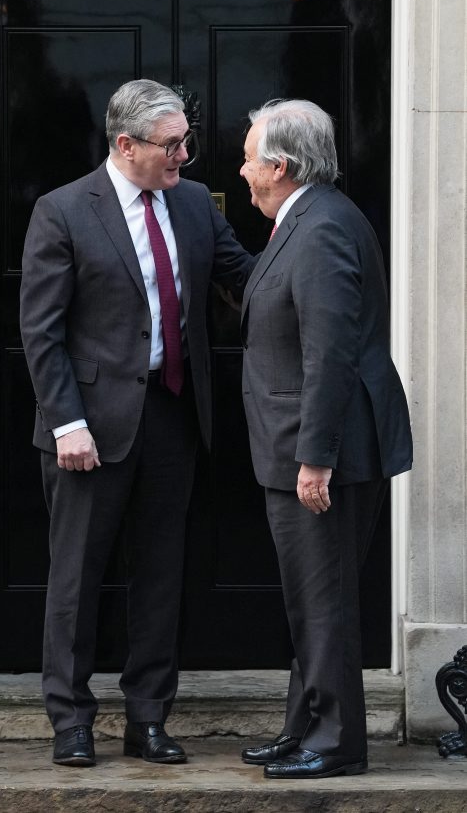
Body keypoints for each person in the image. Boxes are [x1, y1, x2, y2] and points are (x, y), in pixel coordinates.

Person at [20, 79, 253, 768]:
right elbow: (41, 331)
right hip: (88, 425)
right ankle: (70, 721)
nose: (184, 155)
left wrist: (315, 249)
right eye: (171, 144)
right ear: (126, 144)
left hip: (173, 414)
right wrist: (66, 422)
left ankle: (148, 719)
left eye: (186, 142)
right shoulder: (63, 210)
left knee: (160, 575)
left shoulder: (193, 203)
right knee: (76, 577)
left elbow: (247, 279)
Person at [238, 99, 412, 779]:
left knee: (324, 601)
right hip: (301, 447)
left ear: (279, 166)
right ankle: (305, 726)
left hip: (323, 454)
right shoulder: (305, 218)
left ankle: (336, 743)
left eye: (249, 160)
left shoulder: (321, 228)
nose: (243, 172)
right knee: (309, 601)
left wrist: (315, 458)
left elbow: (329, 354)